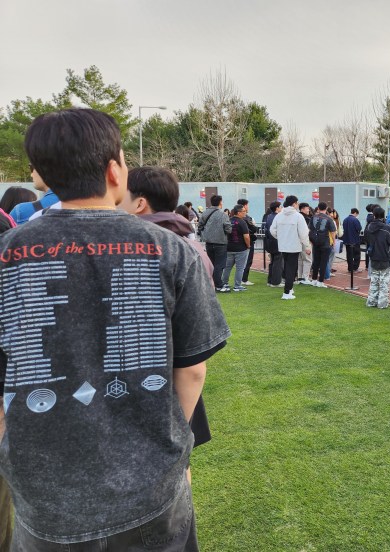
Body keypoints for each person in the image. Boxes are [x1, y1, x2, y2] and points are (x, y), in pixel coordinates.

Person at [0, 108, 229, 550]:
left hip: (44, 494)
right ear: (114, 171)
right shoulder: (170, 250)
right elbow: (192, 370)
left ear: (42, 175)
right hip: (151, 488)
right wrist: (172, 445)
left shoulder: (7, 253)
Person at [119, 166, 216, 482]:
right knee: (179, 464)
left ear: (140, 203)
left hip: (150, 377)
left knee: (168, 465)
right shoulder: (190, 244)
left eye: (120, 197)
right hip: (179, 374)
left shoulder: (142, 250)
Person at [270, 195, 310, 299]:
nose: (298, 204)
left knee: (287, 267)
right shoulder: (298, 216)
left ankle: (289, 289)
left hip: (283, 246)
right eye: (297, 203)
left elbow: (272, 230)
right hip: (294, 246)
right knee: (291, 269)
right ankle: (287, 292)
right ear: (294, 204)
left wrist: (280, 237)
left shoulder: (279, 215)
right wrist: (307, 245)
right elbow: (304, 233)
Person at [364, 207, 390, 308]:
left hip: (373, 256)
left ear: (374, 215)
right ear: (383, 216)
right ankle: (382, 304)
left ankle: (371, 301)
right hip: (384, 257)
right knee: (384, 282)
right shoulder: (386, 228)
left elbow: (365, 239)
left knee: (374, 281)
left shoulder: (369, 227)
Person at [198, 194, 232, 291]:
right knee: (219, 265)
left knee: (211, 264)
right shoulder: (223, 215)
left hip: (208, 242)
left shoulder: (205, 213)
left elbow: (200, 226)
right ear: (220, 202)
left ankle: (211, 284)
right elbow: (228, 229)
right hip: (220, 242)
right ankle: (219, 285)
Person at [220, 204, 251, 292]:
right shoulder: (242, 222)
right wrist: (248, 245)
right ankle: (237, 285)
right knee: (240, 268)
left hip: (229, 247)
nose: (245, 213)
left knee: (227, 267)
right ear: (238, 212)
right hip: (240, 248)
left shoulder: (229, 220)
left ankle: (224, 283)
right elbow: (246, 236)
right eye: (243, 211)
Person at [309, 202, 336, 287]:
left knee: (316, 261)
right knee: (323, 262)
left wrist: (311, 240)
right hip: (325, 242)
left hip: (315, 241)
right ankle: (320, 281)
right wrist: (334, 242)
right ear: (326, 208)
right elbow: (333, 232)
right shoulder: (329, 219)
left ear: (318, 208)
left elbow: (310, 229)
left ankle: (314, 280)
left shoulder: (313, 217)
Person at [236, 199, 259, 287]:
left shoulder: (233, 217)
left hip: (237, 242)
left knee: (238, 263)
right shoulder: (246, 218)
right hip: (247, 241)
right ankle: (244, 279)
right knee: (247, 261)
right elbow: (253, 229)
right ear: (244, 206)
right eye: (247, 205)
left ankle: (240, 279)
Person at [264, 201, 284, 287]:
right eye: (280, 207)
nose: (282, 208)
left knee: (273, 261)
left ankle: (270, 280)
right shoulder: (278, 217)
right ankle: (275, 282)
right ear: (277, 208)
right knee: (278, 262)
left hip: (270, 241)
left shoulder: (269, 216)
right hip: (276, 241)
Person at [297, 202, 314, 284]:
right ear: (302, 209)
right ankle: (305, 278)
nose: (309, 210)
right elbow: (307, 232)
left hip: (297, 242)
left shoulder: (297, 216)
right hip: (305, 241)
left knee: (300, 260)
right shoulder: (306, 219)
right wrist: (308, 244)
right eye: (307, 208)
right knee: (307, 260)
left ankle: (300, 277)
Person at [342, 207, 362, 274]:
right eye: (357, 214)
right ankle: (355, 268)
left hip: (347, 240)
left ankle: (350, 268)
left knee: (349, 255)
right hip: (355, 240)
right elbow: (359, 228)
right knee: (356, 255)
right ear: (355, 213)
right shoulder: (355, 220)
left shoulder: (345, 219)